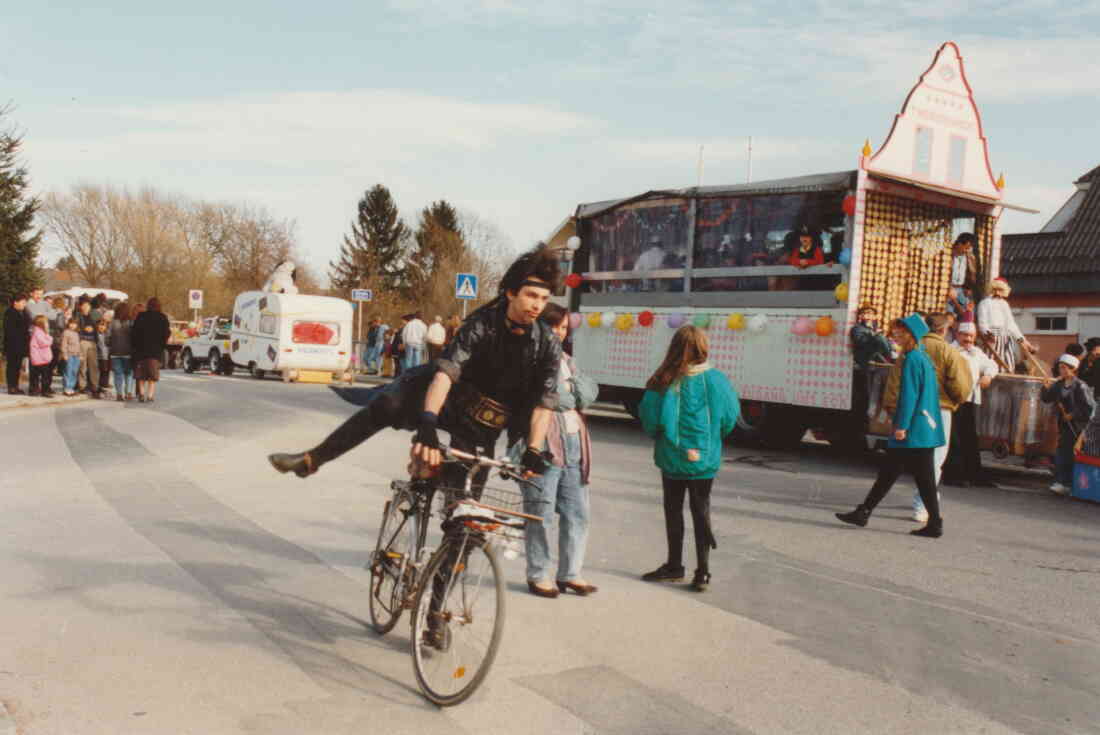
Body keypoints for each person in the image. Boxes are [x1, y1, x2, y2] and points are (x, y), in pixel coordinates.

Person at [268, 244, 564, 483]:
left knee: (464, 513)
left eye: (543, 298)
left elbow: (544, 404)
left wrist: (534, 449)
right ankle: (312, 459)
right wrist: (427, 423)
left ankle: (450, 548)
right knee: (386, 405)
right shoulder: (481, 325)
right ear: (512, 292)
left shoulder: (547, 342)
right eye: (531, 295)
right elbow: (445, 376)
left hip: (481, 427)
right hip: (446, 402)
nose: (537, 305)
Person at [638, 325, 740, 592]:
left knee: (673, 511)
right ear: (703, 348)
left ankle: (674, 566)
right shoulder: (717, 379)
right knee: (701, 510)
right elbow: (730, 417)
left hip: (672, 458)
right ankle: (703, 571)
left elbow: (648, 417)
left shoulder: (662, 379)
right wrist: (713, 439)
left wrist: (659, 436)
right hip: (704, 459)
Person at [836, 314, 947, 538]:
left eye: (901, 332)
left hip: (912, 430)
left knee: (911, 476)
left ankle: (866, 513)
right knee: (901, 474)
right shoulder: (922, 357)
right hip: (923, 428)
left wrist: (902, 425)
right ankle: (864, 512)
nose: (896, 335)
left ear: (911, 335)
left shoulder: (912, 359)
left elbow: (909, 396)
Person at [519, 304, 599, 599]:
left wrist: (572, 392)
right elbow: (560, 400)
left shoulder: (567, 360)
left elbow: (590, 393)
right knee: (540, 512)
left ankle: (570, 573)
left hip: (575, 444)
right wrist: (572, 393)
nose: (559, 333)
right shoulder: (528, 360)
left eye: (564, 328)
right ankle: (539, 574)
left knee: (578, 512)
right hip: (543, 444)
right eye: (554, 327)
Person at [884, 312, 972, 522]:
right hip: (939, 411)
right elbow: (960, 387)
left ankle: (870, 506)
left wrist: (892, 409)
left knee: (903, 460)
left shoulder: (909, 351)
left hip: (910, 410)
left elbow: (895, 384)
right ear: (944, 330)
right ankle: (923, 506)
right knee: (934, 460)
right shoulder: (948, 351)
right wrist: (955, 402)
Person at [942, 323, 999, 487]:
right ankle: (953, 475)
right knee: (954, 439)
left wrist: (988, 376)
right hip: (952, 399)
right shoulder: (949, 350)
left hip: (970, 399)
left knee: (970, 438)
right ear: (957, 335)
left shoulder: (976, 352)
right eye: (964, 335)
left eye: (971, 336)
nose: (967, 339)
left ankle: (974, 475)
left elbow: (992, 365)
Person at [1040, 354, 1095, 495]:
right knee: (1062, 452)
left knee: (1069, 453)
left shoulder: (1081, 386)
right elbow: (1047, 399)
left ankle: (1068, 483)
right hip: (1064, 426)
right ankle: (1062, 482)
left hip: (1078, 426)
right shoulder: (1058, 385)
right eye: (1060, 368)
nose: (1061, 371)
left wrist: (1073, 414)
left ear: (1073, 369)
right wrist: (1044, 388)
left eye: (1064, 368)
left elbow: (1089, 408)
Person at [977, 277, 1036, 372]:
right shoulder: (984, 303)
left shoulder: (1005, 304)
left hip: (1005, 338)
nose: (997, 293)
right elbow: (982, 323)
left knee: (1008, 364)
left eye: (1000, 290)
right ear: (992, 289)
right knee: (990, 364)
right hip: (991, 338)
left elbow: (1011, 325)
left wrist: (1023, 341)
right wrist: (988, 335)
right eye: (995, 289)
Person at [131, 297, 171, 403]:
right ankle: (150, 395)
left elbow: (134, 332)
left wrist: (135, 345)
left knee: (141, 374)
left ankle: (141, 394)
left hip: (141, 351)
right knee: (152, 375)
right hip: (155, 351)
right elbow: (167, 333)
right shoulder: (163, 317)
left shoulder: (141, 316)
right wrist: (162, 345)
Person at [74, 298, 101, 397]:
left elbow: (98, 328)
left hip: (92, 342)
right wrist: (83, 329)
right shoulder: (77, 316)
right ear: (80, 307)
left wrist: (95, 329)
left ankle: (95, 386)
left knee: (94, 365)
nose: (86, 307)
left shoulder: (92, 317)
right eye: (84, 306)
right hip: (82, 341)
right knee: (82, 365)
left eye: (88, 306)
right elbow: (74, 328)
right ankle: (82, 386)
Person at [3, 294, 30, 394]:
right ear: (16, 302)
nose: (24, 304)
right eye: (23, 302)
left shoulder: (24, 312)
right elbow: (9, 331)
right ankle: (11, 387)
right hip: (12, 345)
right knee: (12, 367)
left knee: (18, 367)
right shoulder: (10, 313)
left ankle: (16, 386)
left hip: (21, 344)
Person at [108, 303, 135, 402]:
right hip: (128, 352)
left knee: (118, 374)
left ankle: (119, 394)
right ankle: (128, 392)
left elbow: (107, 337)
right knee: (128, 373)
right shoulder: (131, 323)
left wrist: (110, 345)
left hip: (115, 352)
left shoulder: (112, 323)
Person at [28, 315, 55, 397]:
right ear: (41, 324)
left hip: (41, 357)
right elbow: (44, 343)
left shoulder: (40, 332)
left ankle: (36, 389)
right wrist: (50, 338)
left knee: (38, 375)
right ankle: (41, 390)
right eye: (46, 322)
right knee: (42, 375)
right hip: (39, 358)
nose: (47, 324)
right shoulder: (38, 332)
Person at [60, 318, 82, 396]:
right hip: (69, 354)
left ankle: (71, 387)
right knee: (68, 371)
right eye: (71, 323)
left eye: (75, 324)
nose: (73, 325)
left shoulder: (76, 333)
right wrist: (64, 354)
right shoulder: (66, 332)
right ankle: (67, 388)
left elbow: (79, 345)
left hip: (77, 355)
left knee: (74, 371)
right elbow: (63, 344)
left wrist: (80, 355)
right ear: (68, 324)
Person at [95, 320, 111, 398]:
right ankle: (97, 389)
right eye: (100, 325)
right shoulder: (95, 334)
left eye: (103, 325)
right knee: (98, 373)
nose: (102, 327)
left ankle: (104, 388)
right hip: (98, 356)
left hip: (106, 356)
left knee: (105, 372)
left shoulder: (108, 335)